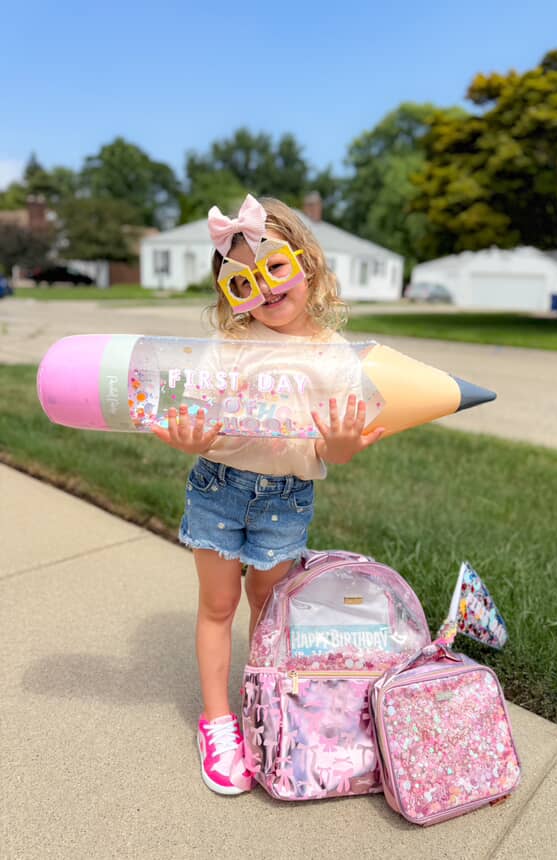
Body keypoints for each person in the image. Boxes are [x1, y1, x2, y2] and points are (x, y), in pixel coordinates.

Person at [151, 194, 385, 796]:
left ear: (306, 264)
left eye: (274, 268)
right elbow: (184, 411)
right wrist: (186, 435)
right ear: (230, 292)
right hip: (218, 487)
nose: (264, 288)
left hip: (288, 495)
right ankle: (218, 721)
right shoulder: (227, 347)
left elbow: (336, 451)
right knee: (217, 605)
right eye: (243, 281)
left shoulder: (334, 354)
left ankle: (264, 703)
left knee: (268, 605)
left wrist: (340, 443)